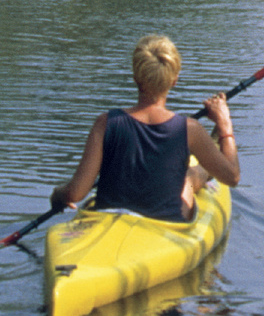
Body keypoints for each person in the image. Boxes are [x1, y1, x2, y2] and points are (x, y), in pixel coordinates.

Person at [50, 35, 240, 223]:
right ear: (174, 80)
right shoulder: (190, 130)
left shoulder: (105, 123)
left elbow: (76, 193)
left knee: (187, 175)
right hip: (164, 225)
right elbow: (232, 177)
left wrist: (59, 194)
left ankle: (208, 157)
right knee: (187, 178)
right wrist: (225, 124)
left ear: (135, 78)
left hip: (109, 218)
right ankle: (212, 151)